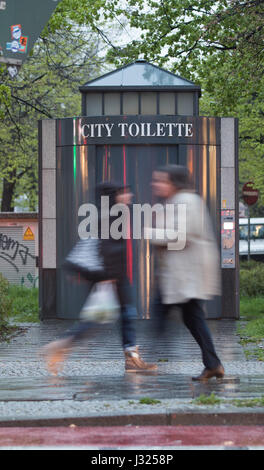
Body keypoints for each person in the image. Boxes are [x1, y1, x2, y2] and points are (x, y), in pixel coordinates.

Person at [42, 182, 157, 375]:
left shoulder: (111, 215)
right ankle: (61, 344)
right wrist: (108, 277)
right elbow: (108, 249)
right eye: (124, 193)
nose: (129, 196)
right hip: (111, 281)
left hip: (113, 279)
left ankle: (131, 358)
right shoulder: (112, 217)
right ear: (116, 197)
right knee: (98, 321)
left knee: (122, 317)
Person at [147, 165, 224, 381]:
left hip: (187, 274)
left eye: (161, 180)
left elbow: (180, 236)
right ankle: (213, 364)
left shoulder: (186, 202)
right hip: (182, 274)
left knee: (163, 313)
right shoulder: (177, 202)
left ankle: (151, 360)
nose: (156, 185)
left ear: (174, 183)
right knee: (192, 318)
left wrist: (151, 234)